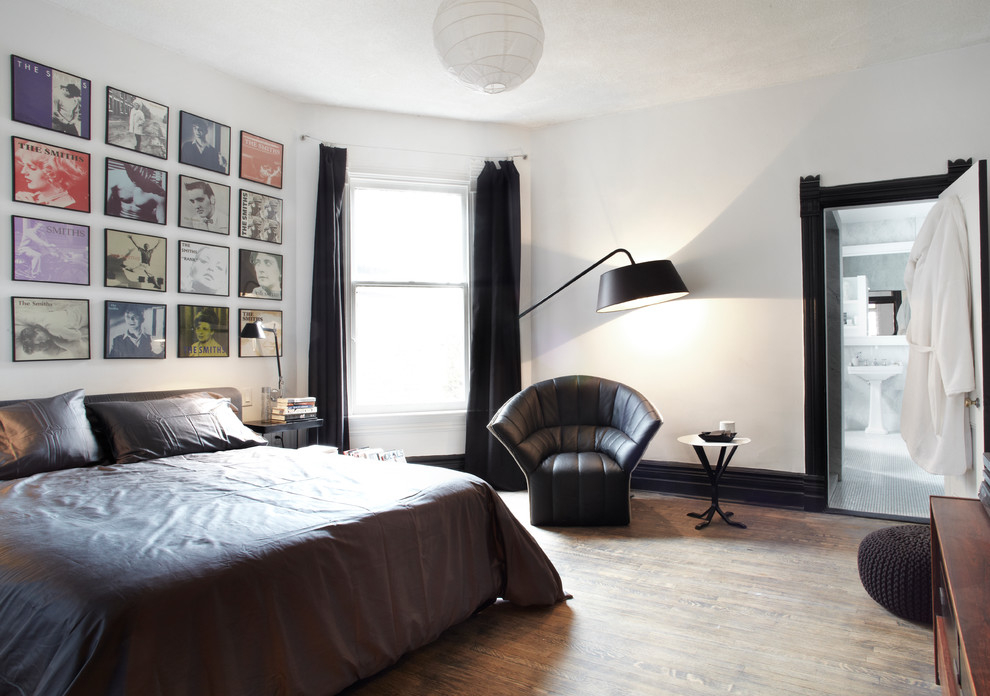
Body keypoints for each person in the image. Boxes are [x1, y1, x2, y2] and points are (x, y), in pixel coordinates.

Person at [15, 147, 85, 208]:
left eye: (31, 167)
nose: (23, 172)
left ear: (53, 172)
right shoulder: (28, 198)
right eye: (24, 166)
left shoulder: (67, 204)